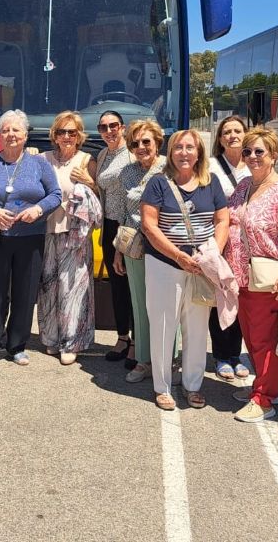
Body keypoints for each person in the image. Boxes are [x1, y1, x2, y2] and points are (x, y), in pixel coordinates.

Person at [140, 129, 229, 410]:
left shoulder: (211, 182)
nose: (184, 153)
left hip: (201, 266)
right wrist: (178, 255)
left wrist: (210, 253)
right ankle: (163, 386)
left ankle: (192, 385)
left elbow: (222, 220)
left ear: (199, 152)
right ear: (171, 151)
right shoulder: (157, 183)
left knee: (197, 327)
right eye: (178, 147)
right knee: (164, 326)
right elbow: (149, 225)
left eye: (190, 147)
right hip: (165, 264)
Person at [0, 110, 62, 370]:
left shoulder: (39, 164)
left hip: (30, 237)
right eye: (6, 130)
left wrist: (38, 209)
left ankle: (17, 345)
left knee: (25, 291)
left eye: (16, 130)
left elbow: (54, 194)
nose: (11, 134)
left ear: (25, 135)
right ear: (0, 134)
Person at [225, 127, 278, 423]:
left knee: (265, 339)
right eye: (248, 152)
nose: (253, 157)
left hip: (266, 276)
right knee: (252, 336)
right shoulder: (244, 185)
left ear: (273, 155)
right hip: (242, 276)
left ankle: (264, 399)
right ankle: (266, 386)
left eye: (260, 152)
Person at [38, 111, 100, 365]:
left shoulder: (87, 160)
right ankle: (52, 338)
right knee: (49, 286)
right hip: (47, 230)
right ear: (54, 135)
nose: (66, 136)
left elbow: (99, 199)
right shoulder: (43, 159)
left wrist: (90, 182)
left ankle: (72, 341)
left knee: (73, 287)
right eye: (61, 131)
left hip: (76, 234)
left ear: (79, 136)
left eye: (71, 132)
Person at [113, 120, 166, 384]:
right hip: (134, 246)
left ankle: (170, 360)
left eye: (147, 141)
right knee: (140, 306)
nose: (141, 147)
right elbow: (124, 212)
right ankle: (144, 360)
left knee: (167, 306)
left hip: (166, 247)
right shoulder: (128, 173)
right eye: (135, 143)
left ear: (157, 141)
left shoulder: (170, 168)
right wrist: (118, 251)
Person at [207, 115, 252, 380]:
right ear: (220, 139)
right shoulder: (211, 166)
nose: (232, 135)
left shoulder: (255, 163)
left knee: (243, 298)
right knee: (221, 298)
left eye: (237, 131)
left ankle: (236, 354)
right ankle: (221, 356)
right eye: (227, 132)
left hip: (248, 245)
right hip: (221, 239)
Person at [90, 110, 136, 366]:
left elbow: (112, 185)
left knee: (130, 286)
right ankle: (122, 337)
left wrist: (90, 179)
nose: (109, 131)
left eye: (114, 126)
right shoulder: (103, 154)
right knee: (117, 286)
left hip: (126, 226)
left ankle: (136, 343)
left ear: (123, 127)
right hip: (108, 224)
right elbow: (103, 189)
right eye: (104, 127)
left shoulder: (130, 155)